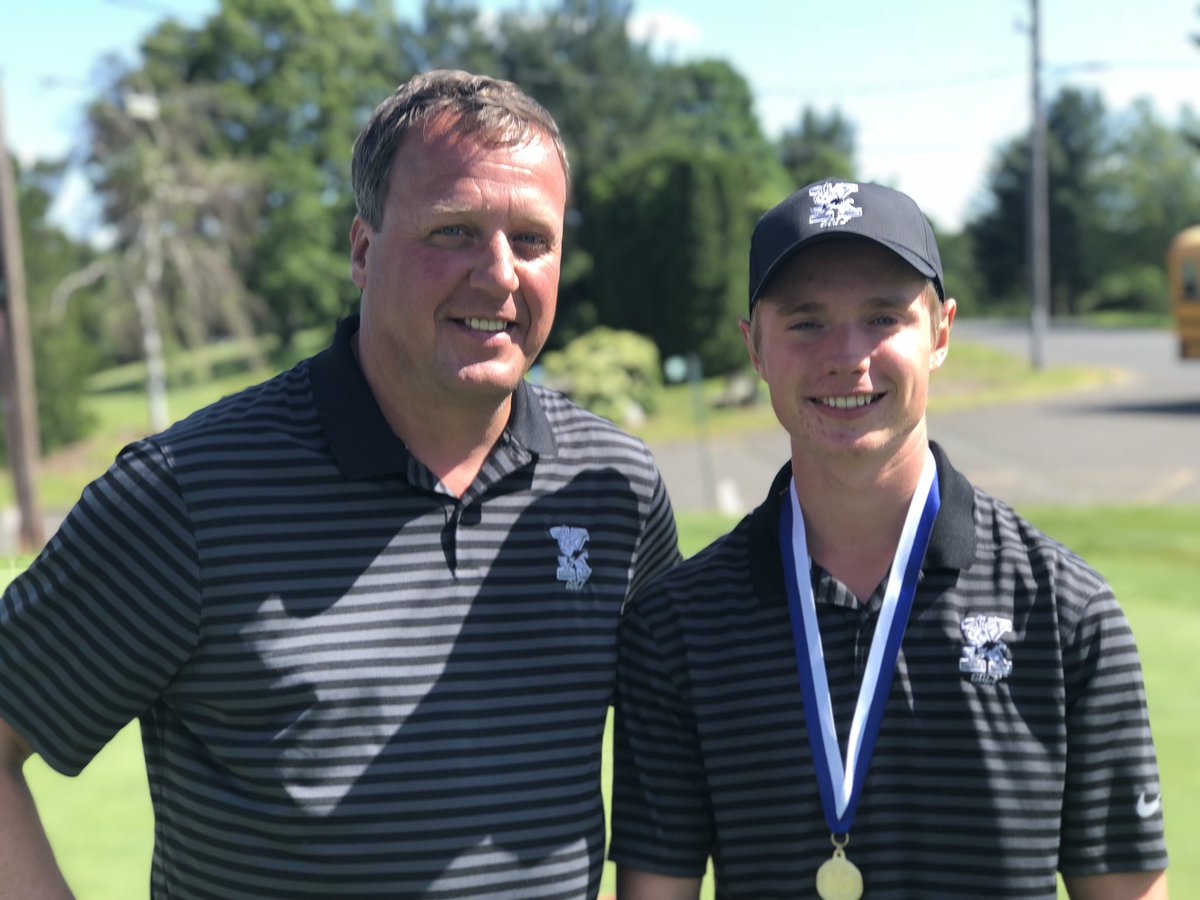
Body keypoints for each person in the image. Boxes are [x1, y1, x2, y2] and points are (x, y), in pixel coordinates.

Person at [0, 69, 679, 899]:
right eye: (455, 230)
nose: (499, 274)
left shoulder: (614, 490)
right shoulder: (187, 497)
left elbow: (666, 777)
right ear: (363, 251)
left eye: (532, 240)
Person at [610, 179, 1168, 899]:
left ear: (939, 333)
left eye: (882, 318)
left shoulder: (1066, 613)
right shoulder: (675, 626)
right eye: (807, 322)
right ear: (754, 347)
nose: (847, 356)